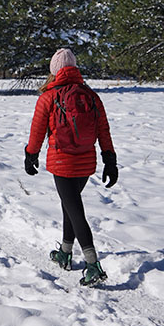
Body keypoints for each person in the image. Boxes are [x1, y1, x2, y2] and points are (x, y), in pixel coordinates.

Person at [23, 47, 117, 286]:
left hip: (62, 162)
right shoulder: (91, 96)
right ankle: (65, 252)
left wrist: (30, 155)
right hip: (86, 163)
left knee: (75, 211)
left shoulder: (49, 97)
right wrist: (110, 160)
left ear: (54, 72)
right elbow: (103, 130)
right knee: (70, 204)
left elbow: (37, 131)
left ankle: (93, 264)